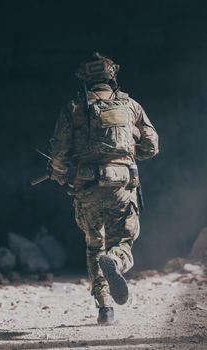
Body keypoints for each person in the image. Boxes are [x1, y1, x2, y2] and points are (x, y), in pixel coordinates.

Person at [48, 52, 159, 324]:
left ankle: (105, 309)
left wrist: (59, 174)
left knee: (93, 246)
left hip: (87, 185)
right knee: (123, 240)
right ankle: (117, 261)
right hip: (122, 183)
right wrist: (128, 153)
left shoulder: (74, 108)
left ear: (84, 78)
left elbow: (59, 154)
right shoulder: (131, 106)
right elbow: (152, 146)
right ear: (112, 76)